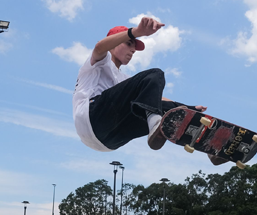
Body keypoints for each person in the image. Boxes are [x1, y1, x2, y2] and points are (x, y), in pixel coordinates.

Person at [72, 16, 223, 164]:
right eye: (129, 44)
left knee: (174, 113)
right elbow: (99, 47)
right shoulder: (100, 62)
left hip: (108, 141)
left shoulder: (125, 81)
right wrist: (137, 32)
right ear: (114, 42)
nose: (133, 50)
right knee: (155, 75)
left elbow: (157, 99)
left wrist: (189, 109)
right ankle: (155, 124)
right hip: (92, 117)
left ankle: (214, 147)